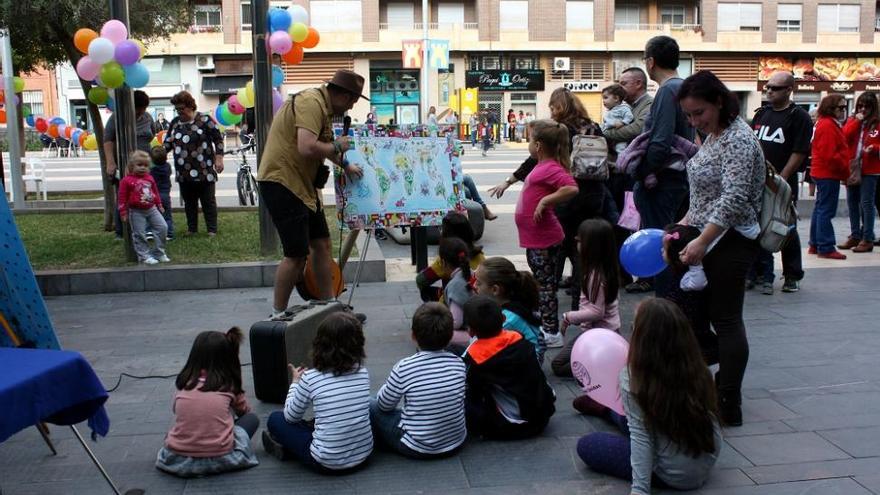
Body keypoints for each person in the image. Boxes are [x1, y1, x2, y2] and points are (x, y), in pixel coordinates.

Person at [677, 70, 765, 426]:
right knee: (706, 315)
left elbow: (734, 198)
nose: (695, 121)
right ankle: (712, 384)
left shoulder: (737, 139)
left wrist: (701, 239)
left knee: (727, 320)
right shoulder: (715, 135)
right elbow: (705, 191)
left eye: (699, 113)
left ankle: (729, 401)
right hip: (708, 233)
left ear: (718, 101)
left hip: (730, 240)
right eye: (689, 116)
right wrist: (686, 221)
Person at [576, 298, 722, 494]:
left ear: (644, 339)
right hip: (703, 462)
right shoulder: (698, 367)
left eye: (634, 327)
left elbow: (641, 438)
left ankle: (609, 408)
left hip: (671, 474)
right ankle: (608, 409)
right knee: (634, 416)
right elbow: (712, 421)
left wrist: (640, 490)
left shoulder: (633, 378)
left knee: (588, 445)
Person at [489, 89, 613, 315]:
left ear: (560, 107)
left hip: (567, 197)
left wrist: (510, 181)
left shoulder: (559, 130)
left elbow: (534, 159)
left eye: (553, 107)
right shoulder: (593, 126)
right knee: (581, 251)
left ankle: (548, 294)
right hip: (594, 194)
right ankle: (580, 302)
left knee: (558, 249)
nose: (552, 111)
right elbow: (609, 155)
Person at [257, 69, 368, 320]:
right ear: (340, 93)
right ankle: (278, 313)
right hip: (283, 183)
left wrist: (346, 165)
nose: (351, 106)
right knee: (296, 254)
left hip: (304, 187)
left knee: (322, 244)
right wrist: (337, 146)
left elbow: (325, 148)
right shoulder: (310, 102)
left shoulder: (324, 109)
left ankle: (328, 303)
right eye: (352, 100)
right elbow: (307, 146)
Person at [263, 313, 373, 472]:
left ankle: (291, 449)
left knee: (276, 419)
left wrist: (295, 382)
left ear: (319, 345)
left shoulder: (310, 378)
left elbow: (291, 417)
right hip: (363, 456)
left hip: (326, 462)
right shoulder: (362, 372)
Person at [633, 36, 695, 297]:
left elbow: (660, 140)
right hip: (678, 177)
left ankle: (667, 303)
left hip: (664, 180)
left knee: (663, 245)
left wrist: (642, 171)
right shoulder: (682, 87)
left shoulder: (668, 90)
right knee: (674, 241)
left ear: (650, 62)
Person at [155, 327, 260, 477]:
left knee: (178, 427)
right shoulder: (229, 384)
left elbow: (176, 410)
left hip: (178, 459)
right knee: (251, 419)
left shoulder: (185, 383)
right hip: (222, 458)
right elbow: (244, 411)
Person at [370, 303, 467, 458]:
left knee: (370, 403)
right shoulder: (459, 363)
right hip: (455, 441)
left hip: (418, 446)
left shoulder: (405, 367)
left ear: (413, 336)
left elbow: (384, 406)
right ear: (450, 337)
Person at [513, 119, 578, 349]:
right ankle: (546, 324)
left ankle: (551, 332)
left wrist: (546, 201)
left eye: (530, 140)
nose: (528, 144)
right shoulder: (542, 165)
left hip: (544, 238)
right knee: (544, 283)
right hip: (538, 238)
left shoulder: (550, 167)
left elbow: (571, 187)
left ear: (538, 145)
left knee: (546, 286)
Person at [749, 71, 812, 294]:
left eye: (775, 88)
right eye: (767, 87)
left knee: (785, 227)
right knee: (757, 225)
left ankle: (792, 275)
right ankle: (758, 272)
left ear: (788, 90)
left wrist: (781, 179)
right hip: (758, 181)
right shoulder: (762, 114)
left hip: (782, 183)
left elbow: (799, 151)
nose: (769, 91)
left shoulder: (798, 116)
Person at [462, 296, 556, 440]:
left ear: (470, 331)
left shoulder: (475, 357)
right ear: (504, 319)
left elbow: (469, 389)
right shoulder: (518, 337)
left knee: (465, 397)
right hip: (543, 416)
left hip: (514, 426)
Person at [552, 219, 621, 378]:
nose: (577, 244)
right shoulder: (606, 268)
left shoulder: (595, 276)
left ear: (591, 246)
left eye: (579, 241)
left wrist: (569, 316)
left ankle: (601, 365)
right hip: (601, 332)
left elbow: (597, 312)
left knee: (558, 365)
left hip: (599, 335)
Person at [605, 67, 654, 288]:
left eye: (624, 83)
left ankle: (646, 277)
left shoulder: (648, 105)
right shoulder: (625, 106)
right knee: (622, 224)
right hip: (622, 173)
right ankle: (624, 273)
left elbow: (636, 130)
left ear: (638, 84)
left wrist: (607, 132)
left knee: (637, 223)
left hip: (638, 176)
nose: (620, 86)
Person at [163, 91, 224, 237]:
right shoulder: (175, 123)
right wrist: (156, 156)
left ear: (190, 106)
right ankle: (192, 229)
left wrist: (219, 158)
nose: (179, 112)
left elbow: (218, 139)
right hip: (183, 171)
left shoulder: (204, 119)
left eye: (182, 108)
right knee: (189, 203)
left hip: (204, 169)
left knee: (208, 201)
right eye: (177, 109)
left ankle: (212, 230)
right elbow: (167, 143)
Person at [104, 90, 156, 240]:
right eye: (139, 108)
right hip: (125, 162)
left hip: (145, 163)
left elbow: (152, 134)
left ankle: (145, 230)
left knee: (145, 194)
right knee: (124, 195)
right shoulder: (117, 117)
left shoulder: (147, 117)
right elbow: (108, 139)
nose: (141, 112)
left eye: (144, 108)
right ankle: (122, 231)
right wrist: (111, 162)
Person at [473, 257, 545, 363]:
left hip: (525, 370)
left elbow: (480, 348)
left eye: (479, 283)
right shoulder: (515, 302)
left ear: (495, 290)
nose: (474, 286)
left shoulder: (507, 320)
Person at [809, 94, 851, 260]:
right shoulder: (828, 125)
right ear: (830, 108)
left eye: (844, 107)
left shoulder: (826, 123)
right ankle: (825, 246)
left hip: (823, 172)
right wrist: (844, 169)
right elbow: (830, 155)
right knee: (826, 210)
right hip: (828, 173)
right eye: (840, 107)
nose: (843, 111)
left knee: (820, 209)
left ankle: (815, 243)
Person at [839, 91, 880, 253]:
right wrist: (856, 121)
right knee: (852, 202)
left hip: (870, 169)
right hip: (852, 167)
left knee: (866, 203)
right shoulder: (853, 120)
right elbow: (844, 137)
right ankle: (855, 235)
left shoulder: (877, 124)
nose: (863, 109)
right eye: (860, 106)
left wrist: (874, 148)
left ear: (873, 107)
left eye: (867, 106)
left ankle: (867, 238)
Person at [416, 211, 485, 302]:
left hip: (450, 305)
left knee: (426, 292)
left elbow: (421, 280)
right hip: (476, 303)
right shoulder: (480, 255)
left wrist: (441, 292)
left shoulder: (445, 261)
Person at [118, 150, 169, 265]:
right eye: (139, 165)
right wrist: (123, 212)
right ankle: (144, 256)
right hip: (136, 211)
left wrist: (159, 204)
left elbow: (154, 192)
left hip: (152, 209)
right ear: (132, 166)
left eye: (146, 165)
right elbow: (121, 198)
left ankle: (159, 252)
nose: (143, 168)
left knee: (162, 227)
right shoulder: (126, 181)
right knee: (139, 234)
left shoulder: (149, 178)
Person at [438, 236, 476, 347]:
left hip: (472, 335)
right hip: (479, 328)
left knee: (433, 334)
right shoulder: (471, 273)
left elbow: (456, 322)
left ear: (443, 262)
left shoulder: (455, 285)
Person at [601, 84, 634, 155]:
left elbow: (629, 116)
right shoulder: (610, 110)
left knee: (620, 150)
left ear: (616, 98)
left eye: (605, 98)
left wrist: (623, 122)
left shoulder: (623, 108)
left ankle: (622, 164)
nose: (603, 101)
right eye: (603, 98)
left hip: (620, 138)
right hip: (610, 137)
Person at [150, 145, 174, 241]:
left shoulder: (151, 170)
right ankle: (169, 233)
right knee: (167, 215)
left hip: (154, 195)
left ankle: (150, 231)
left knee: (151, 214)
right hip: (165, 194)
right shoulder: (167, 167)